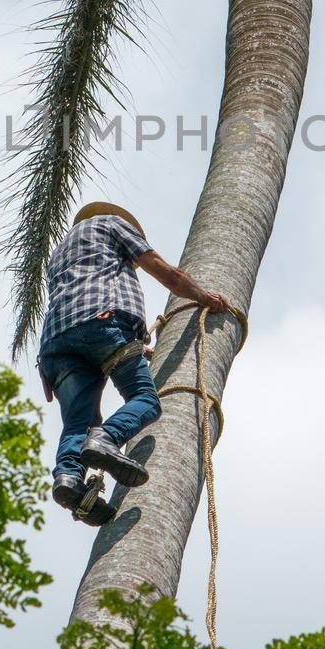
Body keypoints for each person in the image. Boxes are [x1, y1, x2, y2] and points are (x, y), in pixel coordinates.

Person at [38, 201, 232, 525]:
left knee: (77, 424)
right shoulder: (112, 223)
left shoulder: (58, 254)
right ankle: (106, 438)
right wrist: (202, 296)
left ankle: (69, 480)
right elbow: (158, 267)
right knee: (145, 399)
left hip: (56, 348)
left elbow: (71, 312)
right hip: (104, 322)